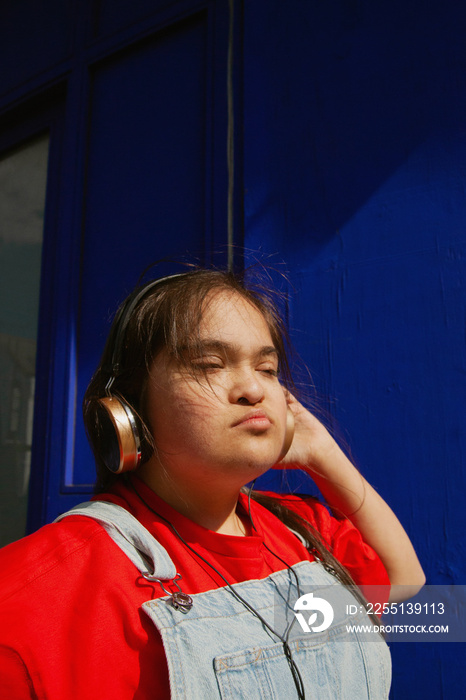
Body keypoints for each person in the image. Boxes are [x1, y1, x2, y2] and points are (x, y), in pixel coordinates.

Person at [0, 268, 425, 699]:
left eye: (267, 367)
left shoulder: (300, 530)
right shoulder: (40, 595)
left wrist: (323, 455)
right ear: (128, 408)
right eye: (210, 364)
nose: (253, 389)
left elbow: (404, 579)